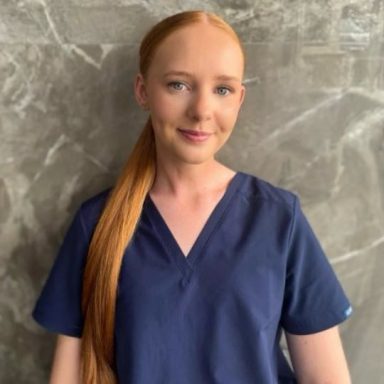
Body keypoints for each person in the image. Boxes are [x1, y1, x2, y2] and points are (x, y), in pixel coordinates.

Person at [32, 10, 353, 384]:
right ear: (142, 91)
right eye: (178, 85)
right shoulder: (97, 223)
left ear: (239, 99)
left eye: (222, 90)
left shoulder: (280, 219)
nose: (201, 110)